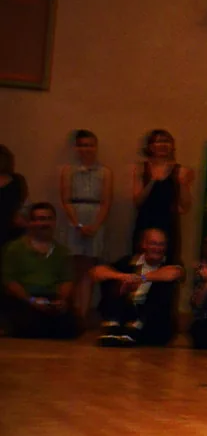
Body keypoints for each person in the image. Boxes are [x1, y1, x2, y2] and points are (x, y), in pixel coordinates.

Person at [93, 228, 184, 347]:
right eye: (153, 243)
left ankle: (135, 327)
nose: (157, 248)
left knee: (162, 286)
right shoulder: (129, 261)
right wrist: (123, 277)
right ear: (143, 245)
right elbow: (97, 272)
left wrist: (141, 278)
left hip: (154, 321)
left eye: (161, 244)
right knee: (111, 280)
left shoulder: (170, 263)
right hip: (127, 313)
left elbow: (174, 273)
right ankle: (113, 324)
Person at [1, 202, 80, 338]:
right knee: (30, 325)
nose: (45, 224)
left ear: (54, 222)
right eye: (40, 219)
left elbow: (67, 280)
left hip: (51, 300)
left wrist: (61, 300)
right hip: (24, 299)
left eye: (49, 219)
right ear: (30, 223)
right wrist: (30, 300)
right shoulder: (14, 249)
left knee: (69, 327)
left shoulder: (62, 251)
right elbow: (9, 281)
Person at [59, 130, 113, 324]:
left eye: (90, 145)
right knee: (73, 268)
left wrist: (95, 225)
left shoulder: (105, 172)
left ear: (95, 147)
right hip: (74, 218)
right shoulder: (68, 171)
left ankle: (83, 315)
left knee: (89, 268)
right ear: (76, 148)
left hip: (95, 218)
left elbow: (106, 202)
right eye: (82, 145)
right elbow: (65, 200)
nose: (86, 149)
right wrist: (78, 224)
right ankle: (68, 314)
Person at [132, 129, 194, 263]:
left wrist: (182, 183)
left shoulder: (181, 170)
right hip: (145, 222)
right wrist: (152, 180)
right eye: (158, 141)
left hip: (168, 223)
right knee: (140, 264)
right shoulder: (141, 169)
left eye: (166, 141)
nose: (162, 145)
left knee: (168, 263)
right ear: (150, 146)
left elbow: (185, 207)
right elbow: (137, 202)